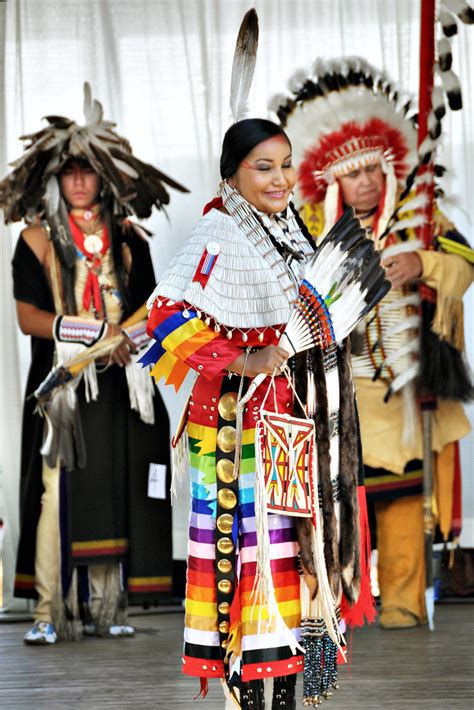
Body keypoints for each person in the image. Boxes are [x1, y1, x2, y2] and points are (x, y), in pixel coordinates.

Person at [141, 117, 381, 709]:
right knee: (250, 565)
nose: (280, 179)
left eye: (285, 165)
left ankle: (283, 702)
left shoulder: (292, 229)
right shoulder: (215, 234)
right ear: (232, 173)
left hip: (297, 425)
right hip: (238, 429)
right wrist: (245, 358)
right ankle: (247, 702)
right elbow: (164, 316)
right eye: (263, 167)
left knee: (296, 562)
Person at [271, 58, 473, 629]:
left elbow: (466, 266)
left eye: (372, 172)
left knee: (407, 499)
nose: (364, 183)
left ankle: (405, 606)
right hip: (337, 395)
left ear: (389, 172)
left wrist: (422, 261)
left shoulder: (421, 222)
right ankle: (336, 605)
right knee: (336, 501)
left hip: (405, 397)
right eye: (351, 175)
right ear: (331, 182)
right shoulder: (302, 229)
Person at [0, 84, 187, 644]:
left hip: (121, 381)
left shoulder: (129, 239)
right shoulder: (34, 240)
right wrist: (90, 333)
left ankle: (109, 608)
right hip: (61, 387)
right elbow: (28, 317)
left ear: (106, 175)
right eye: (69, 172)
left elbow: (152, 307)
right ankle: (47, 613)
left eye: (88, 171)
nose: (79, 181)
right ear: (54, 178)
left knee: (120, 486)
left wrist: (122, 336)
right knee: (55, 493)